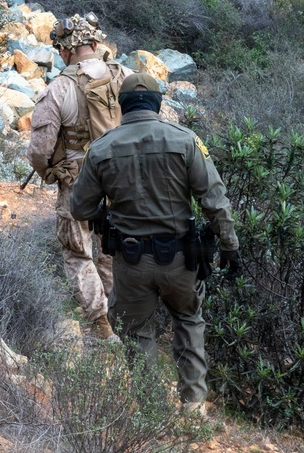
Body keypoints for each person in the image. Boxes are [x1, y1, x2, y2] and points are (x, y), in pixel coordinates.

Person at [69, 71, 240, 412]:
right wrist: (229, 245)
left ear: (122, 106)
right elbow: (214, 199)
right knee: (189, 321)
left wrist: (106, 215)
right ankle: (192, 404)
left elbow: (80, 206)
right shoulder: (186, 140)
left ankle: (150, 410)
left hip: (131, 263)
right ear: (159, 104)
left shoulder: (101, 148)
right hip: (181, 259)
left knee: (137, 332)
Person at [28, 13, 132, 342]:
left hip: (78, 182)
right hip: (122, 180)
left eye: (60, 49)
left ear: (67, 50)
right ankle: (118, 316)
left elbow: (39, 148)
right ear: (96, 43)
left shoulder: (59, 88)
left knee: (76, 251)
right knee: (110, 249)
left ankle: (100, 324)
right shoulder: (125, 76)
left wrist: (49, 172)